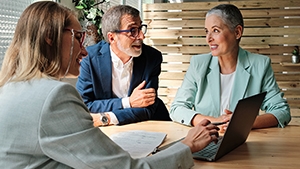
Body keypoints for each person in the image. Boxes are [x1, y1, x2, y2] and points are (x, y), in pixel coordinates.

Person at [0, 1, 220, 168]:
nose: (84, 50)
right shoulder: (53, 96)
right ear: (51, 36)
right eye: (78, 37)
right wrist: (186, 146)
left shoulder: (10, 88)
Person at [170, 4, 291, 131]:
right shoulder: (198, 64)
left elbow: (281, 111)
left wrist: (243, 122)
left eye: (215, 30)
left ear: (237, 32)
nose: (208, 39)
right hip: (205, 141)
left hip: (243, 142)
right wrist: (215, 121)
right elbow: (177, 108)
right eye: (207, 31)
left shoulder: (260, 65)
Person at [76, 5, 171, 126]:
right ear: (112, 37)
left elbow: (147, 108)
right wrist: (128, 102)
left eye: (140, 28)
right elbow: (84, 105)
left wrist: (107, 118)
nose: (142, 36)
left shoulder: (152, 58)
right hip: (106, 131)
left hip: (149, 124)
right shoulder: (90, 58)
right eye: (132, 31)